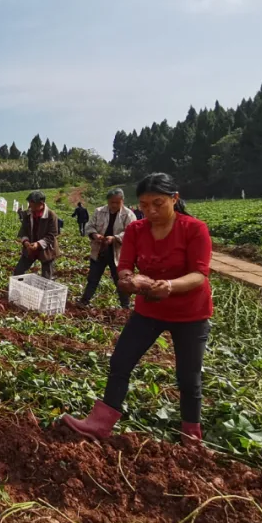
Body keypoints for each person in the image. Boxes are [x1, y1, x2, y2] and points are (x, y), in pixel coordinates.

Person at [61, 173, 213, 446]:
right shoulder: (136, 230)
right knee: (120, 362)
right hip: (149, 309)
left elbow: (199, 275)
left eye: (158, 203)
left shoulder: (194, 229)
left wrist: (168, 285)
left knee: (189, 379)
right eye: (144, 205)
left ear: (174, 199)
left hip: (190, 313)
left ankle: (191, 439)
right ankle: (100, 424)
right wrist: (131, 280)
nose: (151, 211)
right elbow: (125, 267)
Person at [78, 188, 136, 309]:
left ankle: (125, 306)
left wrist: (115, 238)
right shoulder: (99, 211)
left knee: (119, 280)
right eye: (111, 202)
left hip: (117, 253)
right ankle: (84, 301)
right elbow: (89, 226)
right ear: (108, 201)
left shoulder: (129, 215)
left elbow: (132, 233)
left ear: (122, 201)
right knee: (93, 278)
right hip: (100, 250)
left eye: (117, 202)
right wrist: (95, 235)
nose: (114, 205)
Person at [14, 190, 60, 279]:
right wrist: (26, 242)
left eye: (32, 203)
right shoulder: (28, 214)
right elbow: (24, 231)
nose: (29, 205)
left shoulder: (51, 215)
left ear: (41, 203)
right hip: (30, 247)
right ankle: (19, 289)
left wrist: (38, 244)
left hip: (47, 248)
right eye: (29, 203)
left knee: (47, 277)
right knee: (18, 271)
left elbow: (52, 234)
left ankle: (45, 291)